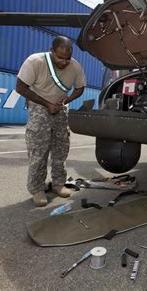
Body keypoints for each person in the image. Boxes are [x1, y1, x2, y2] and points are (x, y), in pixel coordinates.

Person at [16, 36, 86, 206]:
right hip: (39, 106)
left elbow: (80, 87)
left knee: (61, 149)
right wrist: (46, 104)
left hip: (60, 108)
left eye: (67, 58)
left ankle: (58, 184)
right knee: (38, 152)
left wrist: (66, 101)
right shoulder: (35, 61)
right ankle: (37, 189)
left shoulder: (75, 66)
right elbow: (20, 87)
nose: (64, 62)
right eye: (60, 57)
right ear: (52, 51)